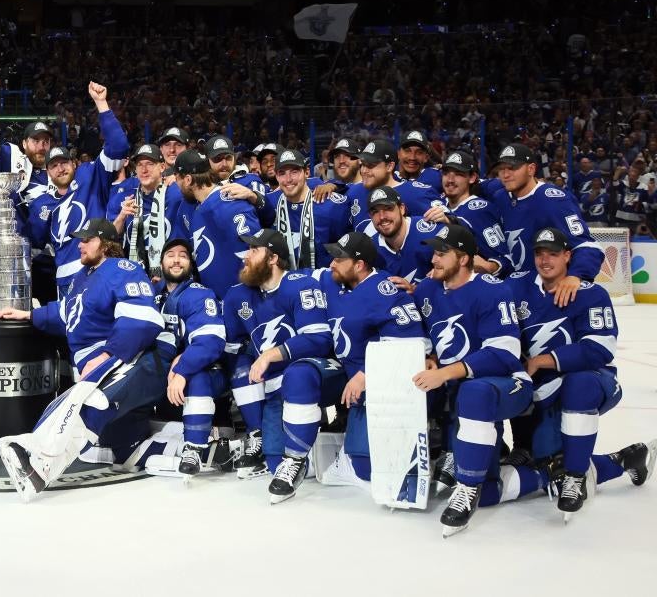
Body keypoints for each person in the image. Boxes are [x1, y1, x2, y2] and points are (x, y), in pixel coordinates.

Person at [0, 219, 165, 501]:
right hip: (95, 362)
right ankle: (37, 468)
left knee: (85, 403)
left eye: (87, 239)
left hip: (122, 357)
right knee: (80, 409)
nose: (80, 244)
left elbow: (143, 318)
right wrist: (29, 315)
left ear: (106, 244)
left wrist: (109, 355)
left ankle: (38, 462)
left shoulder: (122, 269)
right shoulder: (84, 276)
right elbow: (70, 314)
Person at [508, 228, 656, 520]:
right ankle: (626, 458)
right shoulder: (516, 287)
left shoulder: (591, 293)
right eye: (539, 253)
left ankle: (577, 475)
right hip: (541, 391)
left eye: (553, 253)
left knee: (579, 384)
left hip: (592, 381)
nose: (545, 260)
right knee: (549, 467)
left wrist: (544, 360)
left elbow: (600, 348)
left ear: (568, 256)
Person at [269, 232, 427, 504]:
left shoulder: (385, 290)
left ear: (359, 264)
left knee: (364, 469)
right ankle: (294, 461)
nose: (331, 264)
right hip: (343, 372)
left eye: (339, 259)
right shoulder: (332, 280)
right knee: (299, 374)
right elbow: (296, 276)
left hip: (378, 382)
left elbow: (413, 345)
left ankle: (354, 455)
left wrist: (366, 374)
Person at [411, 223, 536, 537]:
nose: (434, 260)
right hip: (463, 392)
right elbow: (423, 332)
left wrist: (445, 371)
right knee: (490, 493)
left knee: (475, 391)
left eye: (442, 253)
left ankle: (466, 488)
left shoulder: (493, 289)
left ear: (464, 258)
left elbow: (505, 352)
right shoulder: (427, 289)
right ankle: (547, 474)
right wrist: (429, 355)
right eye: (434, 253)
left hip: (507, 383)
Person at [222, 229, 334, 480]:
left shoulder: (299, 285)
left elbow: (319, 339)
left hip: (310, 375)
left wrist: (271, 354)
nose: (246, 256)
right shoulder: (239, 295)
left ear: (273, 258)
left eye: (254, 250)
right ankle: (259, 434)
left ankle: (326, 422)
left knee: (298, 374)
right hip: (274, 388)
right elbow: (233, 345)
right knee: (274, 461)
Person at [24, 83, 129, 298]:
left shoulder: (91, 177)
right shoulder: (41, 203)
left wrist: (101, 103)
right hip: (63, 281)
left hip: (98, 270)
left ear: (74, 164)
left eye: (64, 163)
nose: (60, 168)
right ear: (47, 171)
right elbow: (33, 242)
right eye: (53, 165)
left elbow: (118, 146)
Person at [491, 143, 603, 308]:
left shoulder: (553, 200)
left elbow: (586, 244)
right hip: (516, 289)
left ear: (531, 169)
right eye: (501, 169)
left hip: (547, 293)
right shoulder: (501, 196)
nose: (506, 174)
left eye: (512, 168)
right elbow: (483, 184)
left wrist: (576, 275)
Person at [151, 239, 226, 476]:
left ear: (191, 263)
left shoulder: (199, 295)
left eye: (183, 256)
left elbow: (210, 342)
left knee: (198, 377)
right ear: (160, 262)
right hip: (163, 374)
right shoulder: (153, 294)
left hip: (205, 373)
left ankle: (193, 448)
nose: (176, 260)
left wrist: (182, 369)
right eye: (170, 255)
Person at [177, 149, 263, 299]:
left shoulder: (231, 202)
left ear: (188, 180)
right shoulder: (199, 208)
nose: (177, 186)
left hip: (245, 303)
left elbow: (257, 255)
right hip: (219, 303)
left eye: (178, 179)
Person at [255, 149, 349, 270]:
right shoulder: (270, 202)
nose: (288, 179)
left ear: (306, 172)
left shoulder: (332, 205)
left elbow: (347, 250)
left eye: (294, 172)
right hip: (283, 282)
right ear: (277, 176)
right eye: (282, 173)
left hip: (321, 284)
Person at [421, 151, 511, 276]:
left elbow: (505, 259)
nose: (450, 180)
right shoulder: (439, 203)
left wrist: (488, 266)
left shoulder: (479, 209)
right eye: (446, 173)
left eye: (458, 174)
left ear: (472, 178)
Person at [0, 76, 55, 203]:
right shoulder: (10, 158)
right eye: (36, 140)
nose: (41, 146)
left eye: (46, 141)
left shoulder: (60, 170)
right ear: (24, 143)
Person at [107, 143, 182, 279]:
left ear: (162, 167)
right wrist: (122, 216)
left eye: (150, 164)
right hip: (136, 275)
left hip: (170, 273)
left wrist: (179, 178)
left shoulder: (175, 193)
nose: (144, 170)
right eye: (140, 165)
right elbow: (111, 236)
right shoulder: (127, 198)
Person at [351, 138, 444, 236]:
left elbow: (449, 224)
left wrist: (447, 219)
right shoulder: (354, 191)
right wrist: (333, 186)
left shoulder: (415, 193)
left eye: (370, 165)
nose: (364, 171)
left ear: (389, 166)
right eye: (362, 165)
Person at [368, 185, 445, 287]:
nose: (382, 217)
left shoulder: (431, 231)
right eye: (375, 212)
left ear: (402, 209)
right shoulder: (371, 250)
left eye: (388, 208)